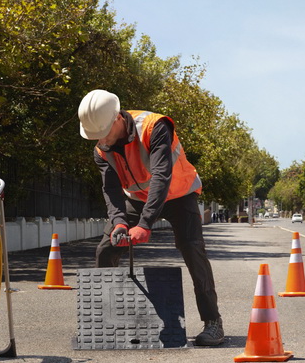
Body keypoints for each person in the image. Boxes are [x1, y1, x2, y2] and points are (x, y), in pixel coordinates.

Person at [79, 89, 226, 347]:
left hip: (179, 194)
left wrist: (145, 224)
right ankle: (105, 323)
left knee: (193, 250)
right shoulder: (101, 150)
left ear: (117, 119)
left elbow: (161, 176)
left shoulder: (154, 127)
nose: (100, 140)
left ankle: (213, 322)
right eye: (95, 136)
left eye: (103, 132)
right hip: (137, 199)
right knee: (106, 249)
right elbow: (111, 190)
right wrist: (119, 222)